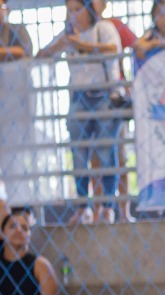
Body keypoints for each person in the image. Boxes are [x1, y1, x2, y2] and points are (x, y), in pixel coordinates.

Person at [40, 0, 123, 222]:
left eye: (79, 9)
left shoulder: (103, 28)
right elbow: (42, 55)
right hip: (79, 96)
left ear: (89, 9)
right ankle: (82, 206)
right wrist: (59, 46)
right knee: (78, 153)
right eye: (71, 10)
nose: (75, 14)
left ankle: (107, 206)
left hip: (104, 94)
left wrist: (82, 45)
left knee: (106, 152)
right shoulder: (67, 34)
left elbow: (113, 49)